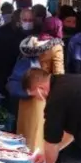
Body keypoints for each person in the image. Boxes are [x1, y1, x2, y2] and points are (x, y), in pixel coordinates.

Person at [16, 17, 64, 152]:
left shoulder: (30, 43)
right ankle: (36, 162)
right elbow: (59, 74)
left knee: (25, 130)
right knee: (38, 133)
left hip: (26, 91)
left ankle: (19, 156)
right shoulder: (56, 46)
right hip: (42, 93)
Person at [0, 9, 34, 130]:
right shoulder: (2, 32)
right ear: (18, 20)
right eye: (25, 20)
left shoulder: (33, 36)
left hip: (22, 80)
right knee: (8, 108)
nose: (28, 23)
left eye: (30, 20)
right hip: (6, 76)